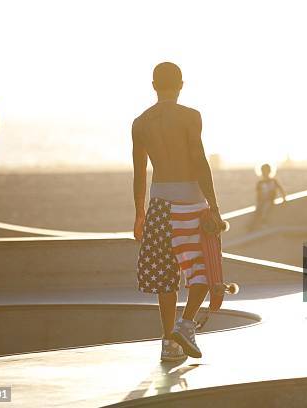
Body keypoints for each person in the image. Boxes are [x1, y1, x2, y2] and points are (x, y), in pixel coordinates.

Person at [132, 62, 225, 362]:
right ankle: (186, 325)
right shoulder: (191, 117)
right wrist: (214, 205)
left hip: (159, 205)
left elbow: (139, 173)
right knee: (203, 271)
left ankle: (167, 343)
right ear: (181, 84)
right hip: (190, 203)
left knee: (165, 276)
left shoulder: (141, 123)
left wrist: (139, 213)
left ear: (153, 85)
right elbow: (199, 160)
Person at [251, 163, 286, 229]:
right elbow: (258, 194)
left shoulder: (273, 181)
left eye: (266, 171)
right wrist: (259, 202)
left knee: (266, 209)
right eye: (264, 171)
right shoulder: (260, 183)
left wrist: (284, 198)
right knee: (258, 210)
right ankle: (253, 225)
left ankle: (264, 222)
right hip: (262, 201)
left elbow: (281, 189)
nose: (265, 173)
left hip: (270, 200)